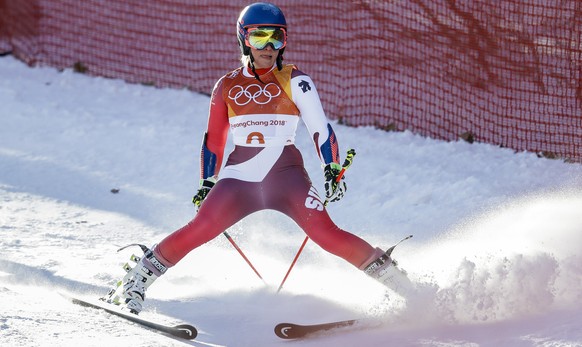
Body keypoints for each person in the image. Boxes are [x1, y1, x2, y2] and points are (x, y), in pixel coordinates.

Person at [103, 2, 406, 314]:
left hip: (287, 178)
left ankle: (404, 285)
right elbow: (214, 140)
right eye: (260, 37)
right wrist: (207, 182)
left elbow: (320, 128)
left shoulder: (296, 80)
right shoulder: (226, 85)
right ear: (244, 39)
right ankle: (136, 279)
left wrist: (331, 167)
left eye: (278, 38)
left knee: (326, 234)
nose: (270, 46)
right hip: (239, 181)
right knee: (200, 228)